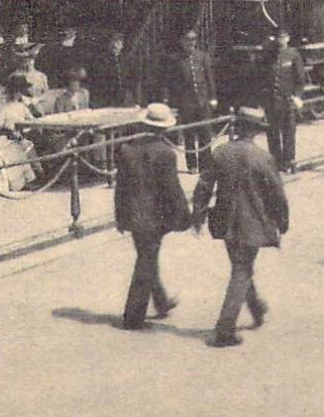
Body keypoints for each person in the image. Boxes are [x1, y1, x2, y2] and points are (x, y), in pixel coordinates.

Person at [190, 108, 289, 348]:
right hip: (253, 222)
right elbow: (277, 194)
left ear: (236, 128)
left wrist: (198, 217)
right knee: (242, 269)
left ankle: (256, 307)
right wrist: (282, 221)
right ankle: (224, 330)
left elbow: (203, 187)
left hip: (224, 222)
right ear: (255, 131)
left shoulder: (221, 153)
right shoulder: (263, 157)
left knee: (240, 265)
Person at [114, 103, 191, 330]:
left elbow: (121, 188)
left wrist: (120, 217)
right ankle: (133, 316)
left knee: (146, 255)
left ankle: (161, 302)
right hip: (155, 217)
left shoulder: (126, 150)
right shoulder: (165, 153)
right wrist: (184, 216)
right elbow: (172, 189)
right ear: (163, 129)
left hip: (133, 213)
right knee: (146, 260)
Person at [163, 29, 217, 173]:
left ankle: (205, 164)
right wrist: (170, 102)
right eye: (187, 40)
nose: (191, 43)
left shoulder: (203, 57)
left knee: (205, 133)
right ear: (182, 42)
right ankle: (192, 165)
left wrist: (213, 98)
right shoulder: (175, 60)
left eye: (193, 39)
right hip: (186, 103)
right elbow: (171, 83)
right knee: (189, 135)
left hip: (203, 101)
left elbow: (209, 79)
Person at [262, 28, 308, 174]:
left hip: (287, 100)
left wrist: (298, 97)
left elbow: (300, 79)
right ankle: (276, 162)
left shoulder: (293, 55)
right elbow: (262, 79)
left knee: (289, 132)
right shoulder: (268, 56)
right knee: (273, 133)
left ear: (287, 39)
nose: (280, 41)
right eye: (278, 38)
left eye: (283, 37)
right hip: (272, 101)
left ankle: (289, 161)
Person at [93, 31, 133, 106]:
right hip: (110, 92)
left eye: (120, 43)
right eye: (116, 42)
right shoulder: (105, 60)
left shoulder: (124, 59)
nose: (118, 45)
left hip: (123, 92)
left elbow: (128, 76)